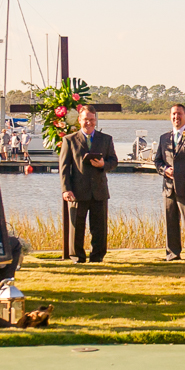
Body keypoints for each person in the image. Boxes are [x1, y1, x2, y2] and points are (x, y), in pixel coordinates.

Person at [59, 107, 117, 263]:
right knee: (76, 227)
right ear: (79, 120)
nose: (89, 122)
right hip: (78, 191)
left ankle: (97, 257)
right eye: (86, 119)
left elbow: (114, 161)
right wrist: (66, 189)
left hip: (99, 191)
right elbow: (64, 167)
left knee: (99, 228)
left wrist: (104, 164)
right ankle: (77, 257)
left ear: (95, 120)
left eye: (91, 119)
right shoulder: (69, 140)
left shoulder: (106, 139)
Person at [154, 103, 185, 260]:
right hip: (168, 188)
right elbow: (158, 161)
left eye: (179, 114)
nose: (176, 117)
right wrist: (164, 170)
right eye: (174, 114)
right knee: (170, 223)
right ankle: (172, 253)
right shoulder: (164, 138)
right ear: (170, 116)